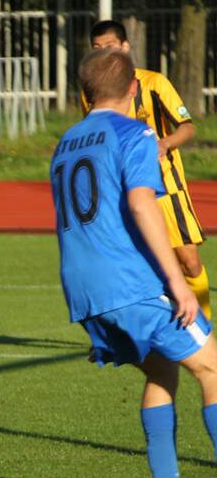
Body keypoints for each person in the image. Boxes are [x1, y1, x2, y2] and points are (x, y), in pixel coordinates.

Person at [55, 47, 217, 478]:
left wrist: (97, 307)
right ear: (133, 88)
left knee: (162, 371)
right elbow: (144, 205)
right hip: (135, 283)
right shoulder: (135, 132)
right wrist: (179, 282)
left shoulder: (66, 142)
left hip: (86, 290)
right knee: (211, 368)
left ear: (83, 94)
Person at [83, 20, 210, 319]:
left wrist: (164, 144)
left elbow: (187, 127)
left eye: (110, 47)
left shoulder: (154, 83)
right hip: (125, 189)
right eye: (97, 49)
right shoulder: (91, 91)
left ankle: (204, 326)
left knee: (189, 261)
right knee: (138, 261)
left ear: (126, 47)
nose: (104, 54)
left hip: (168, 188)